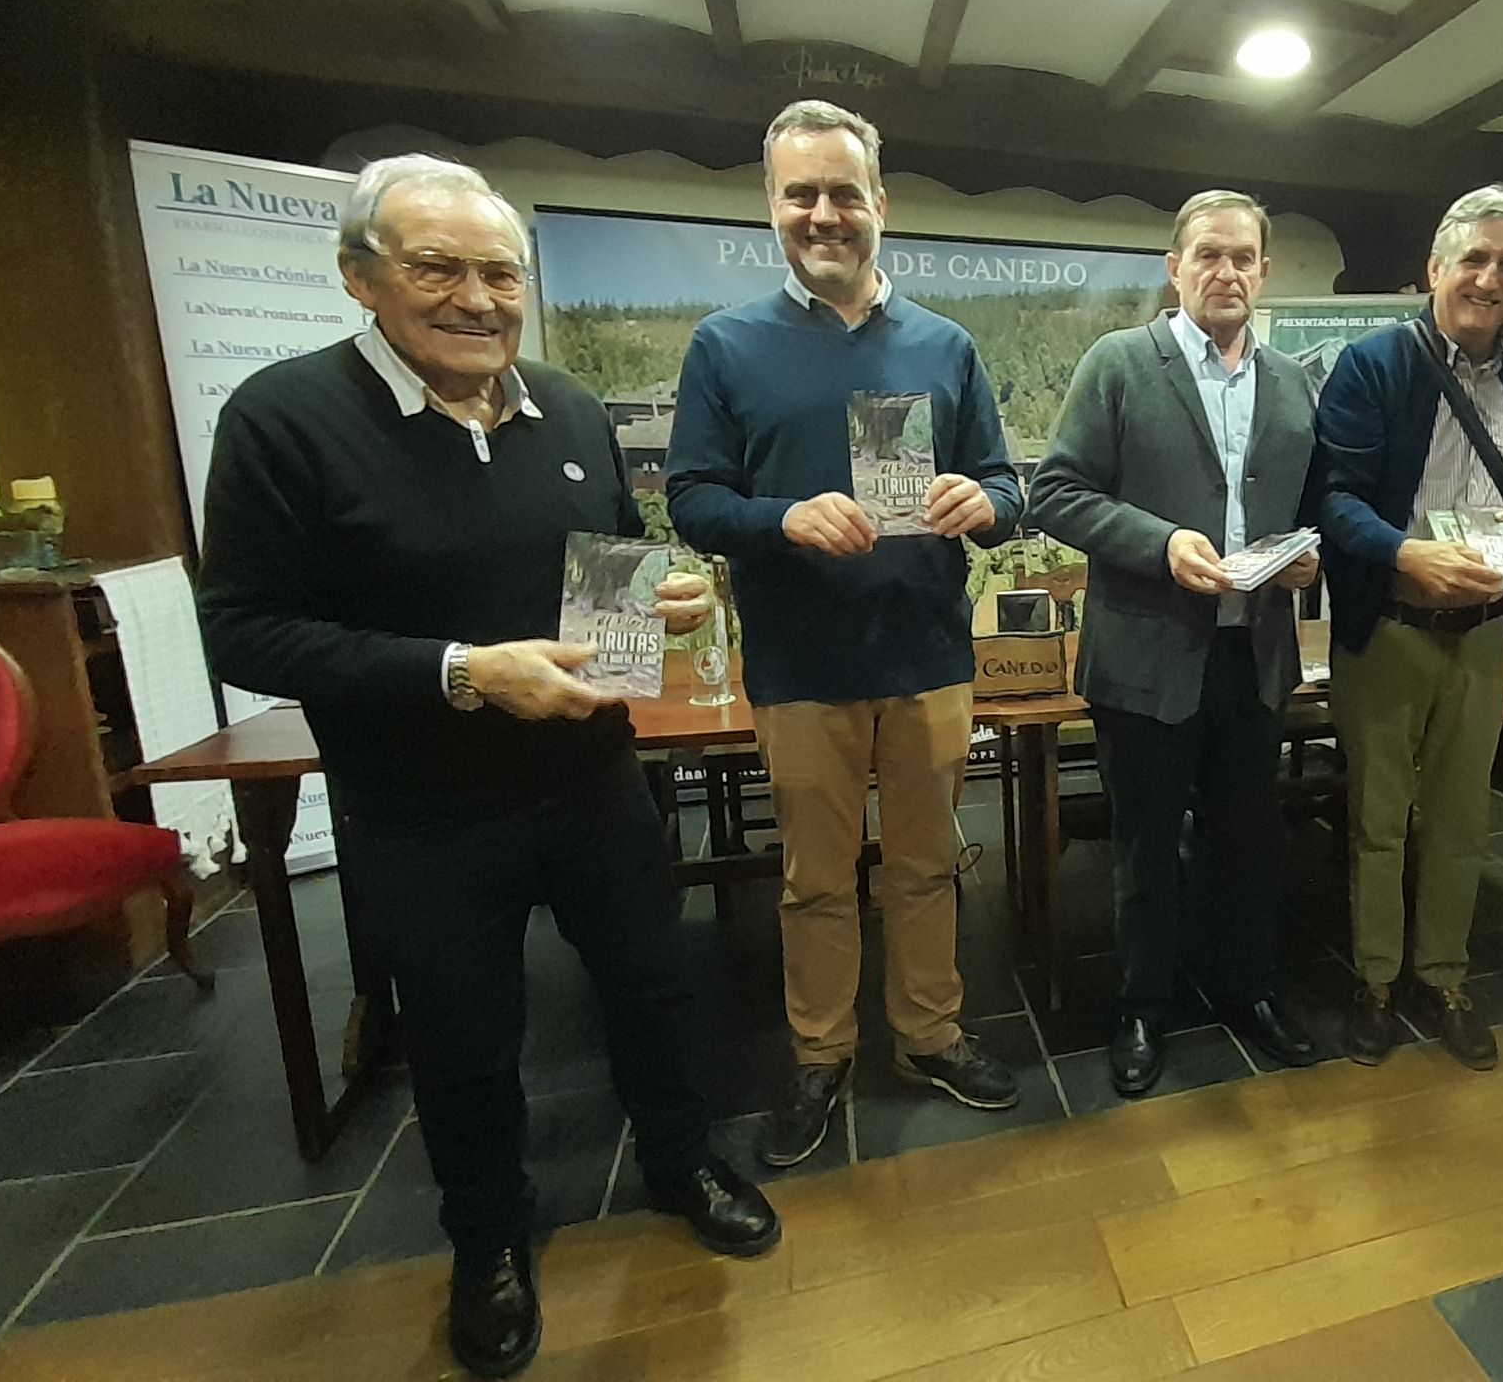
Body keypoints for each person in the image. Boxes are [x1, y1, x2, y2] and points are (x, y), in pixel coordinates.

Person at [198, 155, 776, 1381]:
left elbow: (600, 568)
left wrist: (653, 605)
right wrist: (465, 670)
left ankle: (681, 1163)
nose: (475, 298)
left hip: (593, 781)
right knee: (464, 1041)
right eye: (435, 268)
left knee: (652, 987)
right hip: (420, 809)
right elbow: (244, 631)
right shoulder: (281, 418)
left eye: (499, 272)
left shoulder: (565, 408)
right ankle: (490, 1243)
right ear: (361, 279)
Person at [665, 100, 1023, 1170]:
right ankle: (820, 1053)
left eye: (843, 194)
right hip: (800, 664)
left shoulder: (945, 346)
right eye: (800, 195)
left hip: (925, 655)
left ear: (881, 206)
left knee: (925, 866)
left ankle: (930, 1034)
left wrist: (984, 502)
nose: (823, 214)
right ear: (771, 207)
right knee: (814, 878)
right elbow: (690, 499)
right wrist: (780, 516)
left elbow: (1011, 483)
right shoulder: (725, 346)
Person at [1028, 189, 1322, 1095]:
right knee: (1145, 852)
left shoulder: (1293, 382)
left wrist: (1304, 561)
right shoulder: (1120, 363)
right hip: (1149, 656)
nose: (1226, 272)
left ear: (1264, 272)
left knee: (1247, 844)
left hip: (1254, 654)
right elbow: (1056, 493)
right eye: (1208, 256)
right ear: (1176, 266)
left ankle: (1248, 992)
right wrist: (1161, 544)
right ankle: (1142, 1010)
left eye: (1243, 257)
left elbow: (1304, 508)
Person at [1306, 185, 1503, 1070]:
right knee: (1379, 820)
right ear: (1435, 268)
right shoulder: (1373, 365)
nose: (1490, 279)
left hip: (1486, 626)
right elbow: (1332, 497)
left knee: (1462, 820)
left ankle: (1445, 977)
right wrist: (1403, 557)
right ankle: (1376, 982)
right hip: (1392, 623)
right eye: (1475, 259)